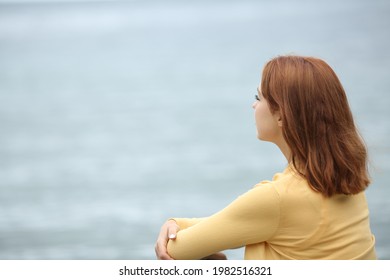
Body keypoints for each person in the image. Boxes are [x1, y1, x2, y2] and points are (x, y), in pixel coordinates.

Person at [155, 55, 377, 260]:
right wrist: (177, 223)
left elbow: (174, 251)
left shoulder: (276, 199)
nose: (253, 105)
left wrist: (175, 229)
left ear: (281, 115)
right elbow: (244, 221)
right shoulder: (348, 185)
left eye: (258, 97)